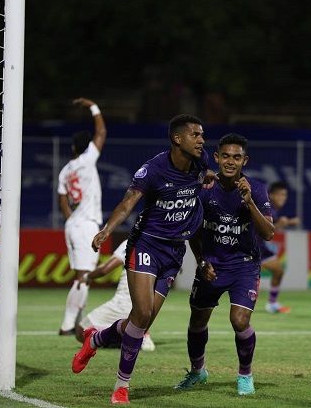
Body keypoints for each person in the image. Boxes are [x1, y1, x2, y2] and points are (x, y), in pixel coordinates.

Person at [71, 114, 213, 405]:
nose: (201, 140)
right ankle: (121, 387)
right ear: (177, 138)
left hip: (174, 252)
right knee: (143, 313)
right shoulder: (153, 170)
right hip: (146, 245)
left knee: (139, 322)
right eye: (195, 135)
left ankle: (94, 339)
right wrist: (107, 229)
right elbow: (127, 203)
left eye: (202, 135)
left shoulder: (201, 163)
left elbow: (198, 207)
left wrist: (200, 257)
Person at [174, 133, 274, 396]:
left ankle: (245, 375)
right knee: (197, 321)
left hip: (244, 266)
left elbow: (268, 233)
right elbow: (194, 232)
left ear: (245, 161)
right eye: (226, 156)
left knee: (239, 321)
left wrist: (249, 202)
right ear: (217, 157)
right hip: (211, 266)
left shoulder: (257, 189)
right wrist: (201, 260)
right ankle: (198, 371)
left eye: (237, 157)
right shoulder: (204, 189)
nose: (231, 161)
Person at [57, 98, 107, 336]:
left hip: (74, 224)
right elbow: (102, 131)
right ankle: (67, 324)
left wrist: (70, 218)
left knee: (81, 275)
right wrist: (93, 106)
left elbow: (62, 198)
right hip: (86, 225)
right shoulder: (88, 161)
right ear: (85, 148)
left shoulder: (65, 170)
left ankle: (72, 322)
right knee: (84, 276)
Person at [74, 239, 156, 352]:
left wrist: (86, 277)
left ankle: (140, 337)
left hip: (124, 303)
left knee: (81, 331)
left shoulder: (133, 240)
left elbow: (104, 269)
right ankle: (134, 336)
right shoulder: (161, 245)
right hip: (147, 305)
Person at [259, 181, 300, 313]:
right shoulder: (267, 208)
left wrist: (285, 222)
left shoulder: (273, 210)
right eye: (280, 195)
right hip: (251, 245)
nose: (283, 198)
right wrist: (284, 223)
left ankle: (272, 304)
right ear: (271, 195)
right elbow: (266, 233)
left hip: (260, 246)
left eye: (285, 195)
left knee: (278, 271)